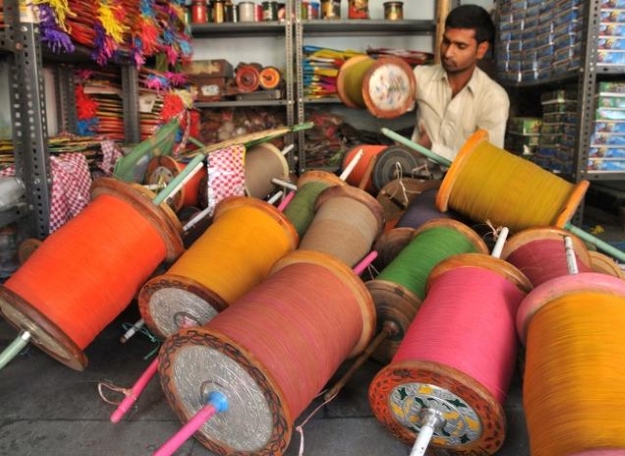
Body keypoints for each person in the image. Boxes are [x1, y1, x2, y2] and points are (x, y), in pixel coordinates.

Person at [411, 4, 510, 165]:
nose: (448, 53)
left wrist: (431, 148)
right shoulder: (421, 76)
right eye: (446, 41)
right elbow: (390, 98)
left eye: (460, 46)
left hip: (462, 186)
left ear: (481, 49)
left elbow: (485, 162)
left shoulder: (494, 98)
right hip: (414, 177)